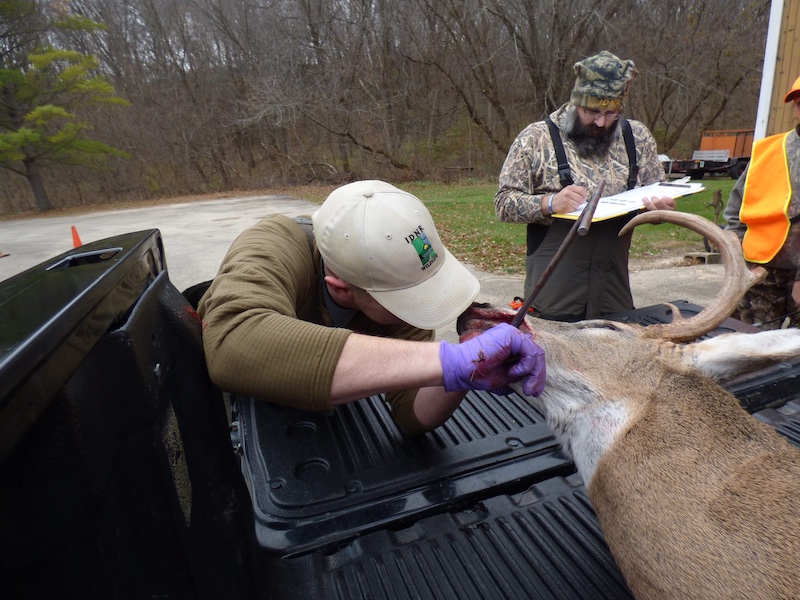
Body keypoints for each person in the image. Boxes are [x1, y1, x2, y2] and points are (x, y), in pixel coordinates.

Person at [197, 180, 546, 436]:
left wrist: (465, 370)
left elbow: (409, 412)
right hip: (255, 423)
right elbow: (233, 340)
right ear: (343, 290)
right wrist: (447, 361)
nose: (426, 310)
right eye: (407, 298)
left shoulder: (389, 270)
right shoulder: (271, 246)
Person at [495, 50, 675, 321]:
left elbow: (657, 191)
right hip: (553, 294)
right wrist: (549, 203)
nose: (601, 122)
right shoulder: (536, 138)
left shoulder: (637, 138)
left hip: (613, 289)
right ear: (575, 101)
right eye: (592, 111)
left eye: (611, 113)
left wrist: (661, 210)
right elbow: (503, 203)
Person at [723, 75, 800, 330]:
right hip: (762, 276)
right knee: (749, 350)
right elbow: (736, 213)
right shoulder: (768, 151)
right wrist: (736, 261)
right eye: (799, 103)